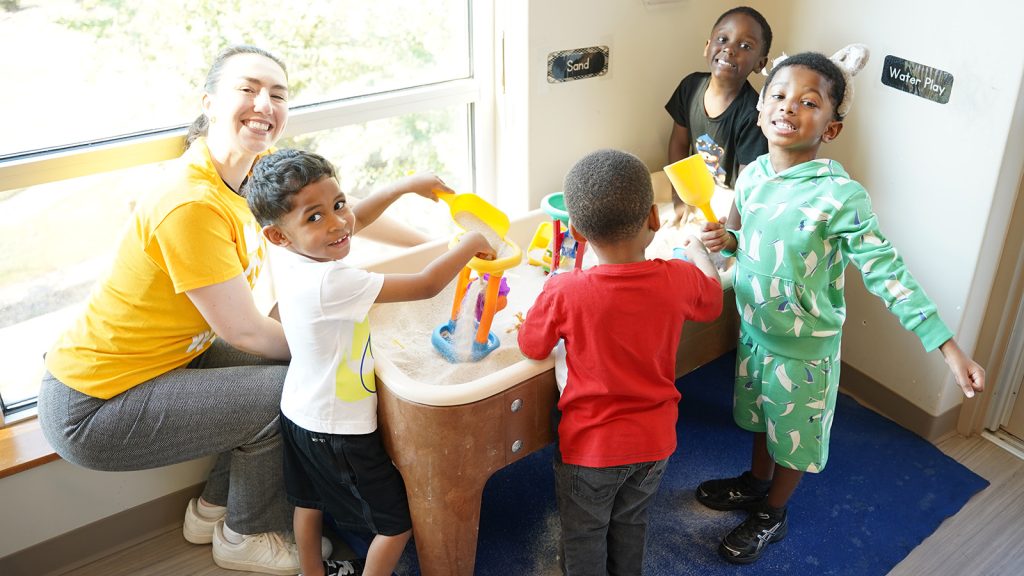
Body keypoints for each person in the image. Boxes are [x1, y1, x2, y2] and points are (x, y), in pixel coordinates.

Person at [37, 45, 436, 575]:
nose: (264, 104)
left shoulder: (252, 175)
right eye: (248, 89)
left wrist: (432, 242)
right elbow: (246, 331)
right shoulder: (191, 203)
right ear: (208, 102)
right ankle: (245, 534)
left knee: (283, 365)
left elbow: (339, 217)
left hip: (162, 362)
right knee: (292, 390)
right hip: (94, 404)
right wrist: (338, 345)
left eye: (278, 94)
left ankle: (212, 511)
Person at [698, 46, 986, 565]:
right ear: (760, 111)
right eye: (779, 95)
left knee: (794, 438)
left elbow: (888, 273)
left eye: (809, 102)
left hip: (804, 352)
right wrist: (728, 240)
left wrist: (949, 349)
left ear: (831, 128)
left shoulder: (840, 197)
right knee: (762, 420)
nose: (789, 106)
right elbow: (746, 240)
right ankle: (756, 482)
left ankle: (773, 512)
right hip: (755, 335)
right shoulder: (754, 174)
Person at [246, 148, 496, 576]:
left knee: (309, 502)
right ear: (279, 235)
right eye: (315, 216)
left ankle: (312, 572)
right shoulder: (332, 280)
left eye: (338, 203)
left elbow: (355, 218)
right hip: (338, 429)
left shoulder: (292, 255)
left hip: (299, 410)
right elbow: (426, 284)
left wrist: (405, 186)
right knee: (395, 526)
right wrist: (471, 242)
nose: (338, 223)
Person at [517, 149, 723, 575]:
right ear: (653, 217)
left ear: (576, 231)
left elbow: (532, 346)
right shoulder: (677, 277)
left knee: (583, 536)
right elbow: (713, 300)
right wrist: (699, 252)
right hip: (655, 444)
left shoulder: (565, 290)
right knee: (631, 523)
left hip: (590, 450)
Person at [665, 6, 772, 223]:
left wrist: (731, 231)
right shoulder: (690, 87)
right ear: (707, 47)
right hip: (698, 184)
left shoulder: (754, 114)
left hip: (732, 197)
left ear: (760, 63)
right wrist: (679, 197)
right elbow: (679, 143)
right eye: (722, 39)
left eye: (745, 46)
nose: (729, 49)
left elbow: (747, 185)